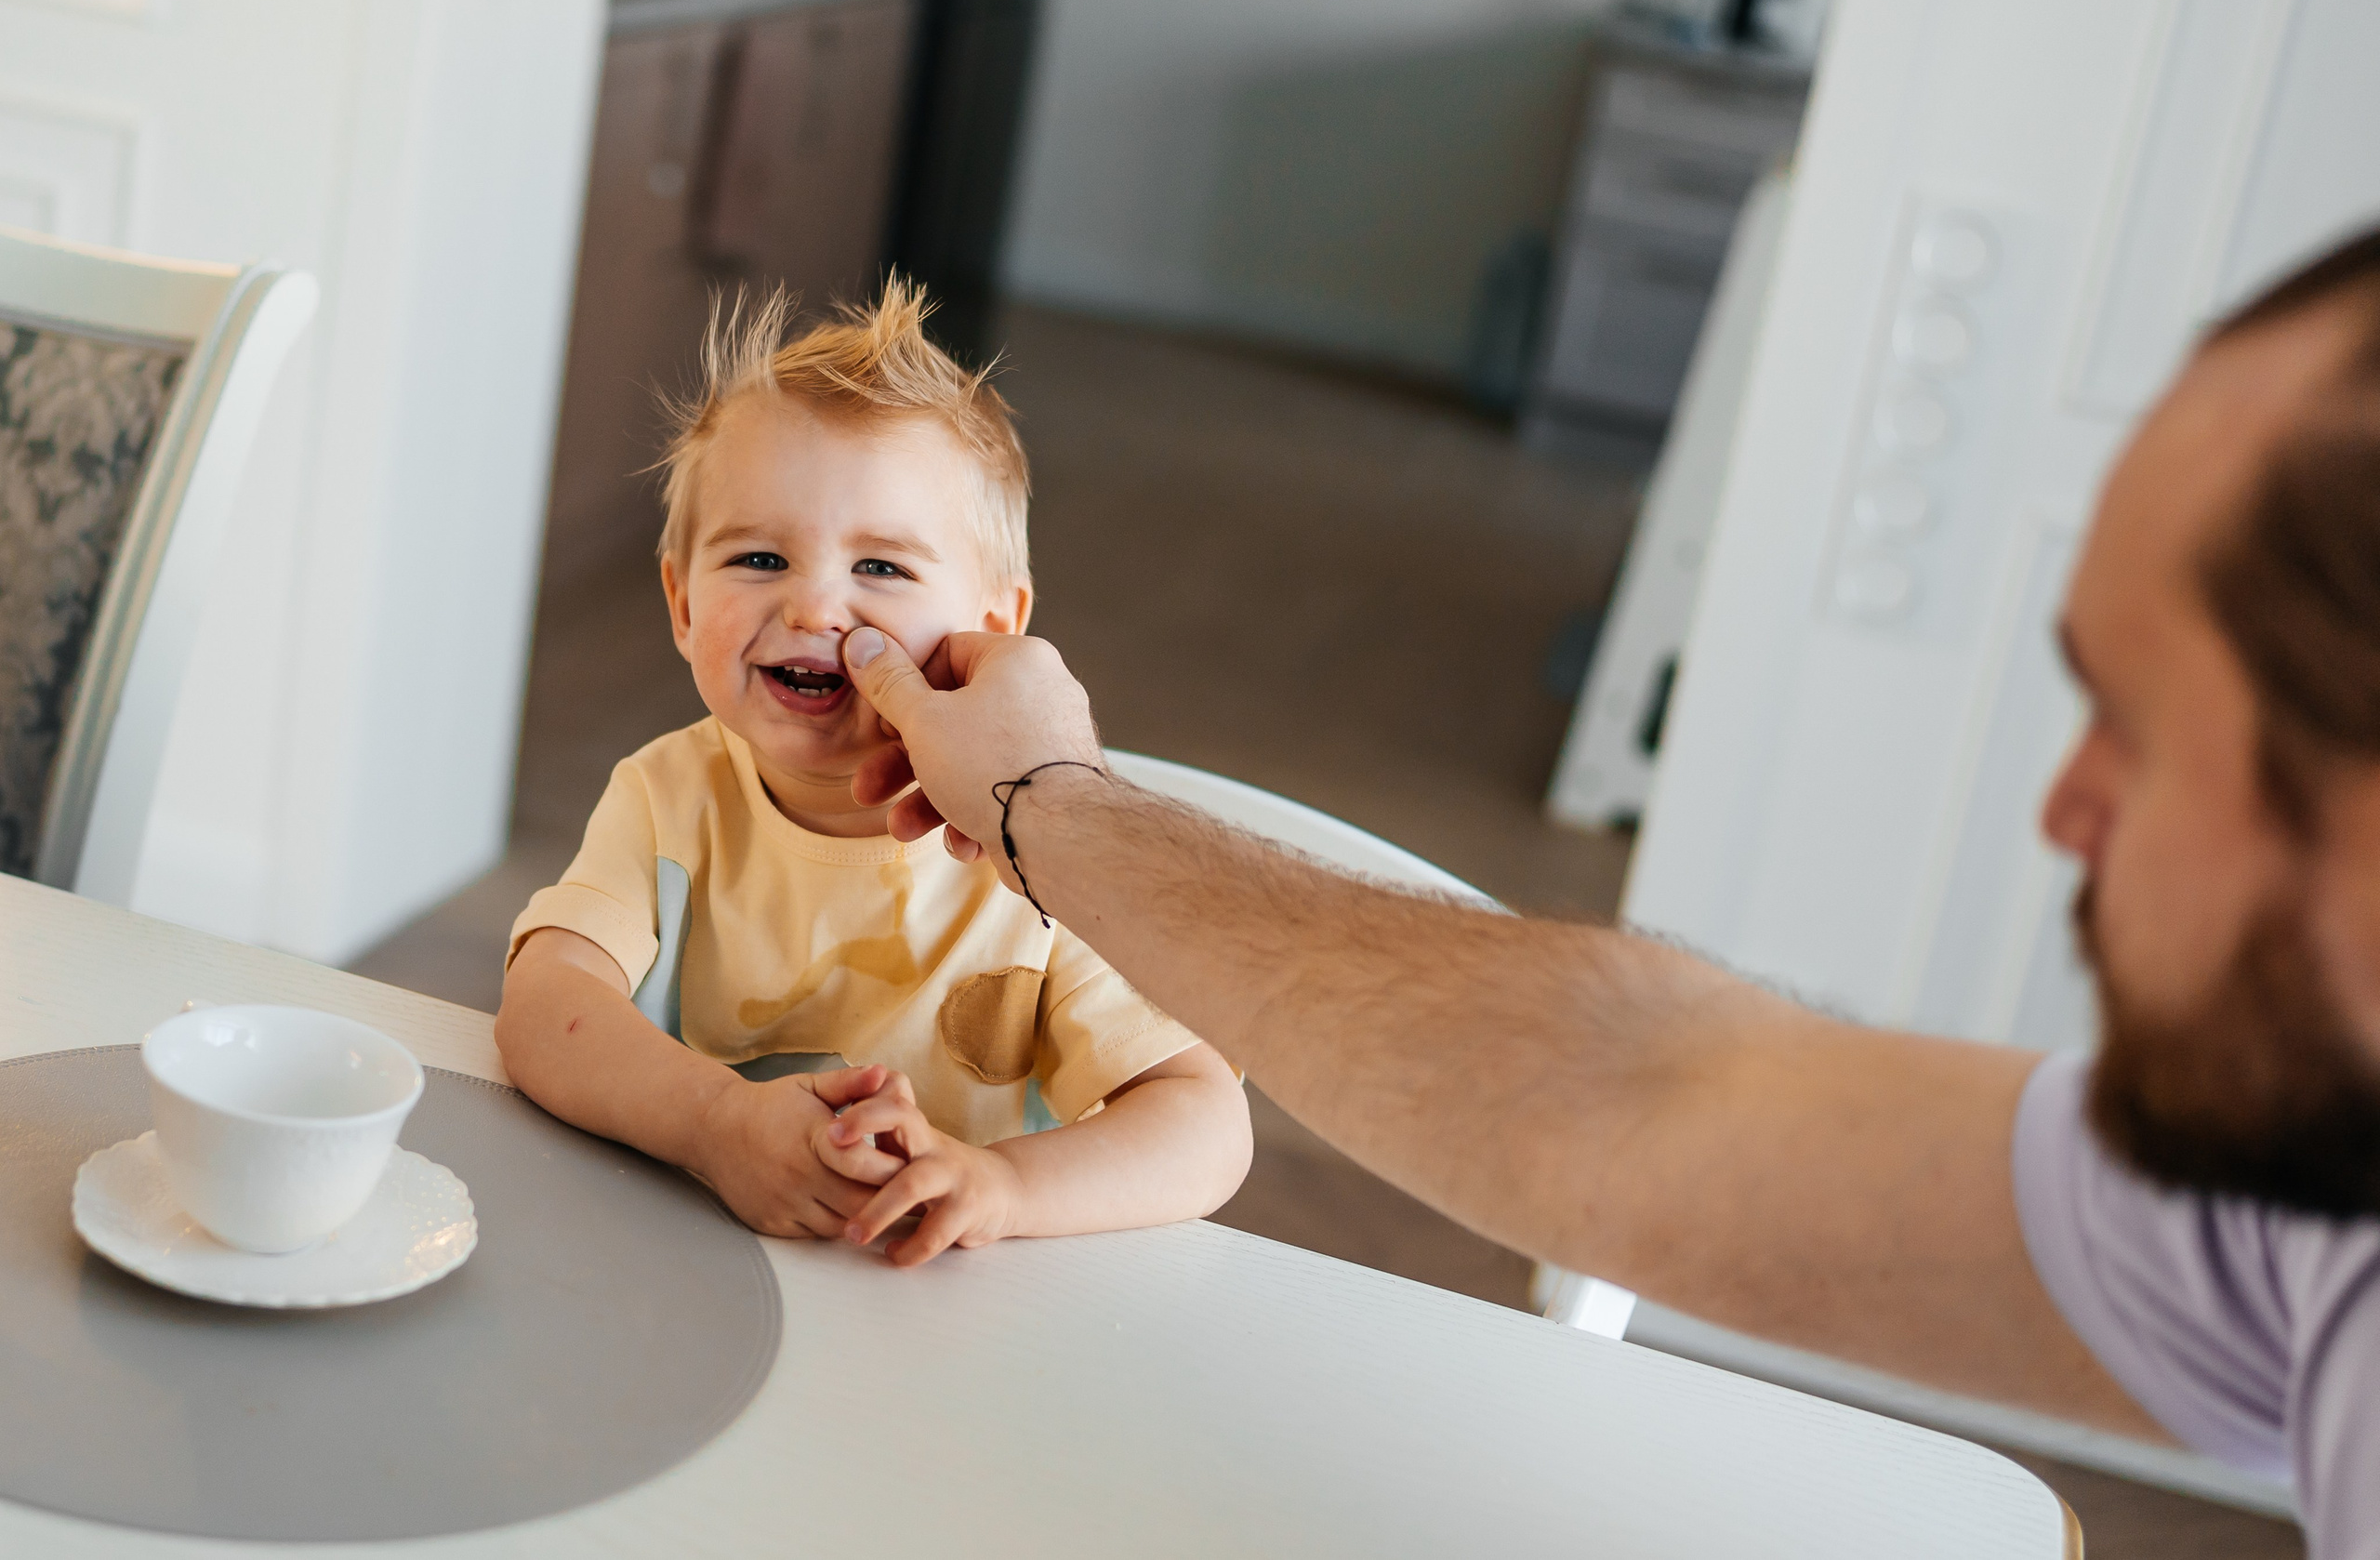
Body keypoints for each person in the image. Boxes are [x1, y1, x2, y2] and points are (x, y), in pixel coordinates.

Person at [829, 228, 2380, 1554]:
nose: (2066, 805)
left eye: (2145, 728)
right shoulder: (2304, 1209)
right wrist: (1053, 804)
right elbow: (1637, 1104)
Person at [494, 282, 1250, 1268]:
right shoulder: (666, 797)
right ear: (682, 603)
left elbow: (1206, 1126)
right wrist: (718, 1126)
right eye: (760, 556)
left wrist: (1006, 1186)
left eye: (882, 570)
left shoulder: (1035, 849)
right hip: (683, 1268)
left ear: (996, 630)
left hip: (943, 1307)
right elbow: (542, 1010)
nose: (813, 607)